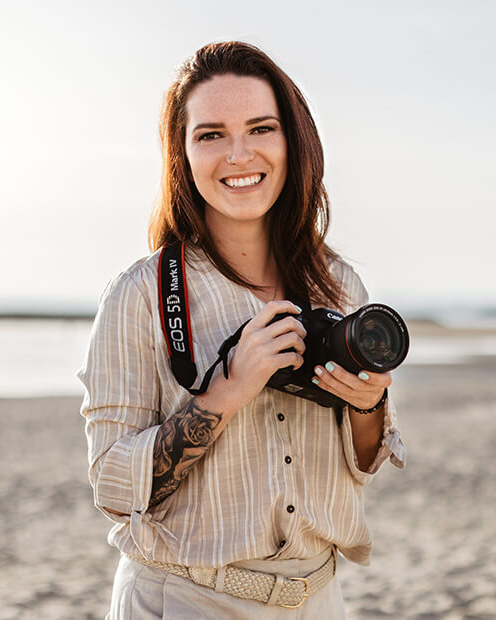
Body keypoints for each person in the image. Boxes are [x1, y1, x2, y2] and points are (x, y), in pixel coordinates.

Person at [78, 41, 405, 619]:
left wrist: (367, 404)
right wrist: (226, 392)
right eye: (211, 135)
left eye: (261, 128)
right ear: (182, 154)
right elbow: (112, 487)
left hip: (319, 599)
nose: (238, 154)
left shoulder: (339, 285)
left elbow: (365, 462)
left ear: (293, 141)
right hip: (184, 598)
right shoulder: (142, 295)